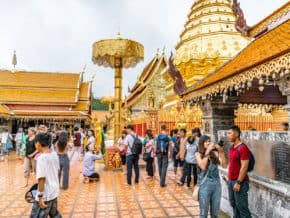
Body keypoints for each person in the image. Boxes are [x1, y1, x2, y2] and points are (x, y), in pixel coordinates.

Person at [195, 135, 227, 218]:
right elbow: (202, 166)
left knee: (215, 213)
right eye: (206, 141)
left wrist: (222, 152)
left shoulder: (214, 154)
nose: (208, 143)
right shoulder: (198, 154)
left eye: (209, 141)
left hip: (217, 185)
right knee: (203, 213)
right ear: (201, 143)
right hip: (205, 185)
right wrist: (208, 151)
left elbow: (224, 165)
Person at [30, 132, 61, 218]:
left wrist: (40, 197)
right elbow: (57, 171)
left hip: (46, 194)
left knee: (36, 215)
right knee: (54, 214)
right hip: (54, 190)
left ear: (38, 144)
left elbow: (41, 179)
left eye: (35, 143)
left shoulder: (41, 158)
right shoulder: (54, 155)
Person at [227, 125, 252, 218]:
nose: (228, 135)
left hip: (240, 182)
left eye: (230, 133)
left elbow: (244, 167)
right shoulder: (232, 147)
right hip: (231, 180)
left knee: (242, 208)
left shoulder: (242, 148)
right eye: (227, 133)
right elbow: (232, 164)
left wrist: (238, 182)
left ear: (237, 134)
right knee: (234, 205)